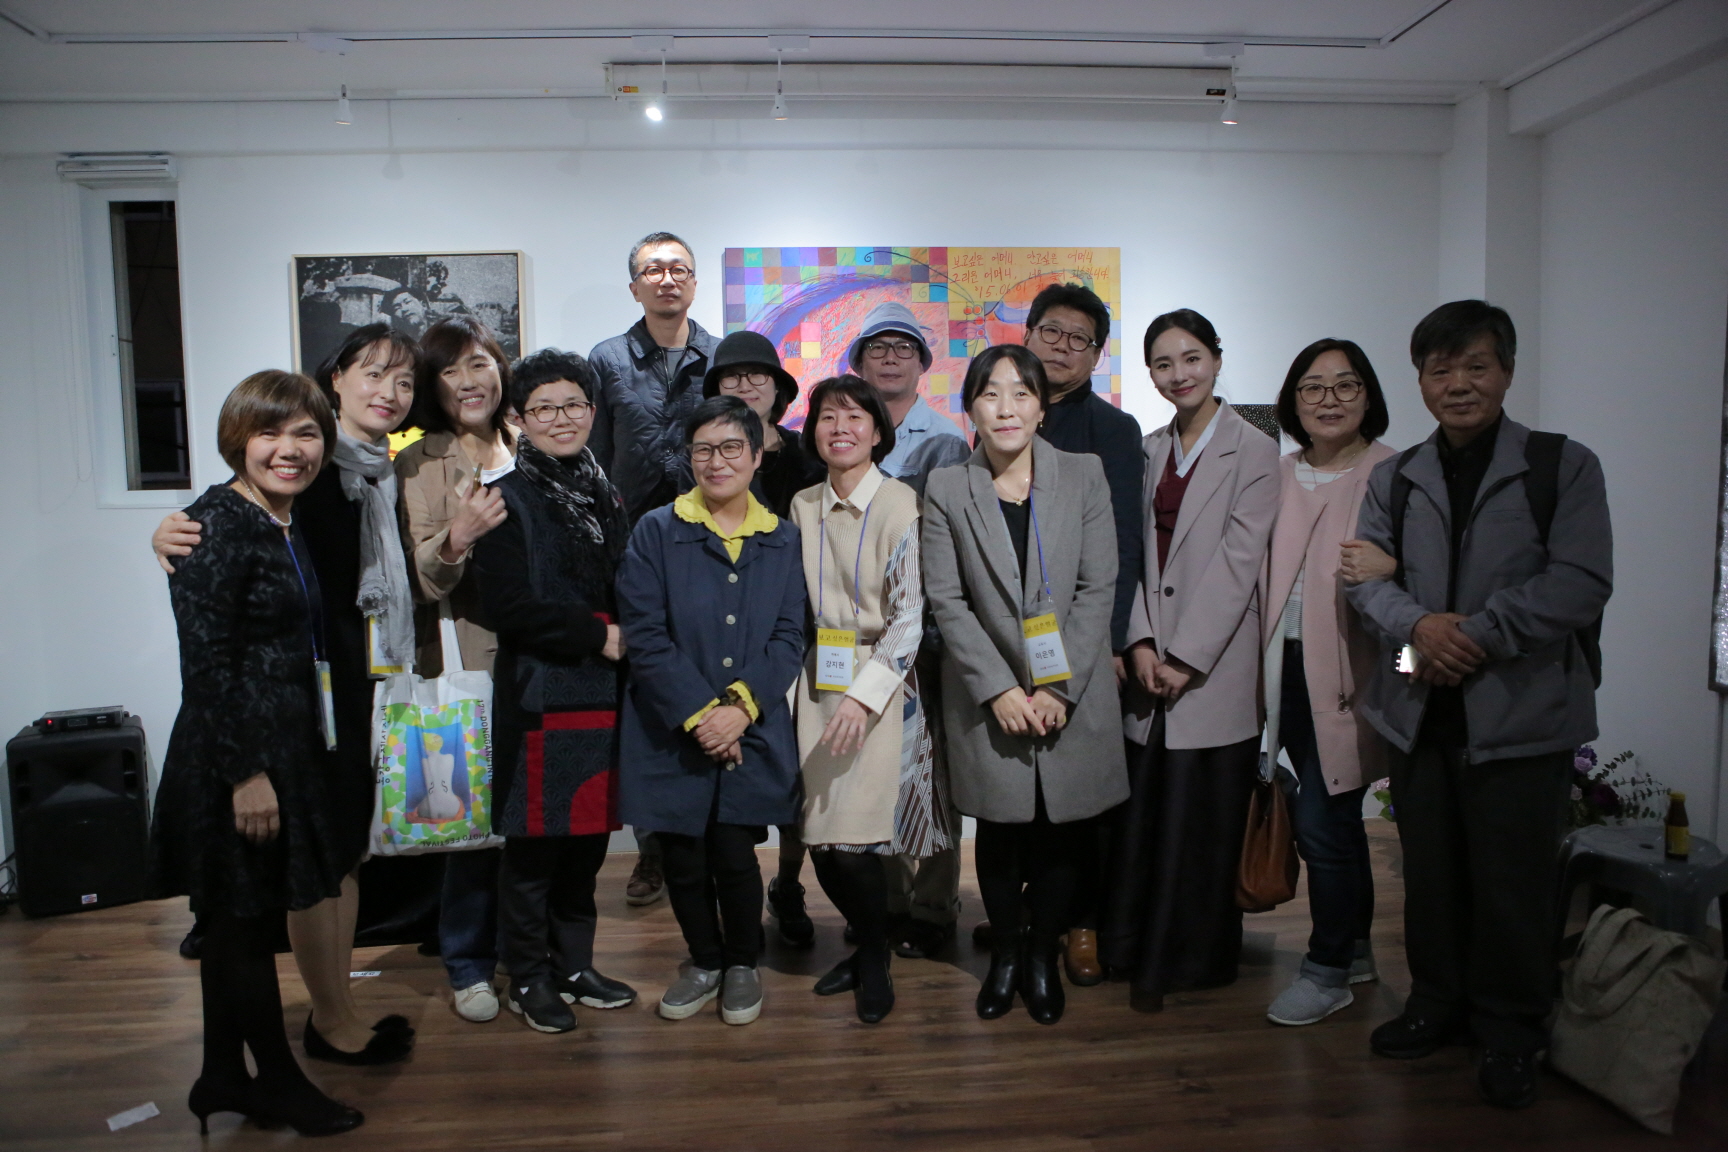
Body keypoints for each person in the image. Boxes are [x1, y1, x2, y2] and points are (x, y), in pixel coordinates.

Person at [1344, 300, 1612, 1109]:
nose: (1458, 384)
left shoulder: (1561, 466)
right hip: (1417, 699)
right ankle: (1437, 1003)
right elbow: (1365, 582)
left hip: (1521, 710)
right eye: (1441, 369)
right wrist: (1420, 628)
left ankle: (1511, 1028)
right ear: (1420, 380)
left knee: (1512, 882)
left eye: (1476, 366)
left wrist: (1477, 635)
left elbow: (1580, 582)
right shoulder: (1395, 476)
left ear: (1507, 371)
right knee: (1429, 875)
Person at [152, 326, 422, 1065]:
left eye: (403, 382)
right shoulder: (306, 477)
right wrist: (172, 534)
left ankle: (336, 1012)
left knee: (340, 854)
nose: (389, 393)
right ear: (337, 380)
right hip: (294, 708)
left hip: (346, 692)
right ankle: (326, 1018)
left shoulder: (380, 472)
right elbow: (215, 635)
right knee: (306, 870)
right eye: (374, 375)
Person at [149, 370, 366, 1136]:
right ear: (237, 439)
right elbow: (207, 665)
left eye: (306, 433)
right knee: (242, 931)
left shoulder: (277, 518)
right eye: (270, 432)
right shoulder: (216, 526)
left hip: (280, 747)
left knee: (233, 923)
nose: (289, 449)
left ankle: (220, 1077)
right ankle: (275, 1083)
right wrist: (246, 776)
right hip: (235, 758)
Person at [921, 345, 1127, 1025]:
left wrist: (1058, 689)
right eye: (990, 393)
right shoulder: (948, 487)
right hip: (990, 697)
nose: (1005, 408)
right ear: (970, 408)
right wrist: (1000, 689)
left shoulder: (1084, 473)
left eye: (1021, 393)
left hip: (1073, 690)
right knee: (1003, 830)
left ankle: (1042, 955)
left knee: (1064, 832)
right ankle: (1006, 955)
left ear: (1042, 408)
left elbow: (1098, 587)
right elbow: (947, 600)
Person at [1107, 308, 1280, 1013]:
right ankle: (1132, 951)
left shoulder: (1256, 449)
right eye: (1163, 364)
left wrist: (1185, 656)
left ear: (1216, 358)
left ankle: (1191, 961)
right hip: (1149, 666)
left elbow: (1242, 563)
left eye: (1191, 358)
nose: (1179, 374)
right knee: (1145, 822)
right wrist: (1141, 641)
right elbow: (1129, 553)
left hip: (1214, 665)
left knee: (1201, 821)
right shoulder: (1148, 449)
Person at [616, 395, 807, 1026]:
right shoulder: (656, 530)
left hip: (748, 727)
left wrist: (740, 710)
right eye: (703, 449)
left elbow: (789, 636)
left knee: (734, 852)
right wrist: (702, 715)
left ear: (756, 456)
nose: (716, 461)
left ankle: (743, 962)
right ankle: (703, 960)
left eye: (731, 448)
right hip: (672, 730)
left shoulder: (782, 538)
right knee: (682, 855)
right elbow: (645, 635)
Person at [471, 348, 639, 1034]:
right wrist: (596, 635)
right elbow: (506, 607)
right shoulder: (504, 498)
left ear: (592, 412)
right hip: (541, 692)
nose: (561, 418)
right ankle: (527, 976)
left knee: (587, 842)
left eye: (573, 404)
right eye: (544, 408)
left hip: (605, 692)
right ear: (519, 419)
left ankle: (574, 965)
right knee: (534, 848)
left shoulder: (605, 492)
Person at [791, 375, 956, 1023]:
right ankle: (870, 945)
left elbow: (909, 616)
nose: (841, 428)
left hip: (884, 684)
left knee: (865, 832)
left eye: (855, 416)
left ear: (877, 431)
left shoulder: (899, 504)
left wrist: (865, 698)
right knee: (823, 833)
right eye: (827, 417)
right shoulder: (801, 504)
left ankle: (875, 956)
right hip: (816, 679)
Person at [1259, 339, 1398, 1026]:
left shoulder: (1394, 474)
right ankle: (1357, 951)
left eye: (1346, 385)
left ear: (1368, 395)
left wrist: (1392, 567)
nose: (1329, 400)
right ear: (1294, 401)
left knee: (1322, 821)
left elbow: (1423, 578)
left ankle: (1326, 969)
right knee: (1331, 821)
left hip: (1347, 680)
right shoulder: (1277, 473)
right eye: (1312, 387)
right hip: (1273, 676)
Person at [1011, 281, 1145, 986]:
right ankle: (1034, 912)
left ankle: (1084, 921)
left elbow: (1121, 544)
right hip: (1012, 640)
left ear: (1096, 356)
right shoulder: (1002, 416)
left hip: (1085, 638)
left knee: (1082, 791)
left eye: (1079, 339)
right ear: (1028, 335)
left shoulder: (1113, 431)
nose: (1062, 348)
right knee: (1022, 787)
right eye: (1051, 332)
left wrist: (1111, 642)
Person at [588, 230, 720, 908]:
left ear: (694, 282)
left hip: (709, 545)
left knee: (705, 677)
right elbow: (593, 459)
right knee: (643, 693)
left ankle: (709, 836)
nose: (667, 279)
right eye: (653, 270)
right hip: (632, 548)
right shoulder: (606, 360)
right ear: (635, 285)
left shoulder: (720, 357)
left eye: (678, 269)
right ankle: (652, 849)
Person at [394, 314, 516, 1024]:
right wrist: (457, 537)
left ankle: (528, 955)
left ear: (500, 368)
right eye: (448, 370)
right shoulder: (417, 461)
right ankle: (469, 964)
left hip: (539, 662)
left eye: (479, 363)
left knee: (532, 820)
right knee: (469, 825)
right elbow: (418, 577)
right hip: (464, 661)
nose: (468, 382)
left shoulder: (532, 444)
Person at [690, 329, 824, 948]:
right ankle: (737, 907)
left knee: (798, 775)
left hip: (803, 631)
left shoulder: (805, 454)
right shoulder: (703, 464)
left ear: (778, 389)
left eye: (757, 376)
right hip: (730, 638)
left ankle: (788, 885)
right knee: (735, 774)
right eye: (731, 377)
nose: (745, 386)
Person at [847, 300, 969, 959]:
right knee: (875, 766)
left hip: (930, 632)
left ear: (922, 364)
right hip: (864, 632)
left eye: (903, 348)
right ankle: (888, 900)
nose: (890, 358)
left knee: (934, 770)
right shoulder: (847, 436)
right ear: (858, 363)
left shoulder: (947, 441)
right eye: (878, 347)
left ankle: (935, 902)